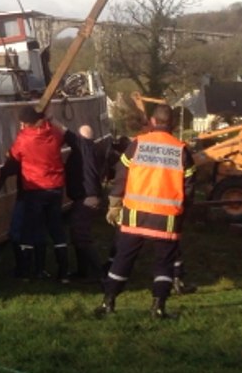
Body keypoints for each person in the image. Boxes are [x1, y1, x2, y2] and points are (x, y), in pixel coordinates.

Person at [97, 105, 196, 319]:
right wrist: (183, 216)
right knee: (164, 263)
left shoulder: (137, 145)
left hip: (134, 216)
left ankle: (108, 303)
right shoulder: (181, 150)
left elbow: (120, 176)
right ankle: (158, 308)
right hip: (167, 219)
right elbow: (189, 189)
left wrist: (114, 204)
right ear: (174, 124)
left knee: (122, 259)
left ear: (152, 121)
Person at [5, 105, 69, 280]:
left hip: (34, 189)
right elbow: (64, 136)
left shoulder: (24, 139)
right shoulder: (54, 134)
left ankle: (28, 271)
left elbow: (13, 156)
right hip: (55, 187)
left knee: (31, 230)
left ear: (27, 123)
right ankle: (63, 272)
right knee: (57, 230)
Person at [62, 124, 104, 281]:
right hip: (84, 197)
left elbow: (68, 135)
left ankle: (97, 273)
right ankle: (84, 272)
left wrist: (53, 119)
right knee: (77, 235)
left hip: (86, 198)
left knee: (81, 236)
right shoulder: (89, 150)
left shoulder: (85, 148)